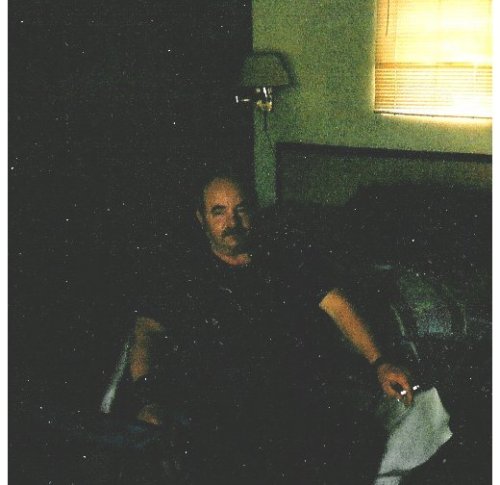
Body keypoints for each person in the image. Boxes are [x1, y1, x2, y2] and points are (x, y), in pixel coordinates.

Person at [127, 172, 414, 484]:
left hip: (291, 399)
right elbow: (146, 332)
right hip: (220, 409)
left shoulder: (285, 255)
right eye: (219, 212)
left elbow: (338, 305)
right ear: (201, 218)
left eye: (240, 209)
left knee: (358, 443)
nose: (232, 222)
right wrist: (147, 400)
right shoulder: (183, 272)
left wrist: (379, 361)